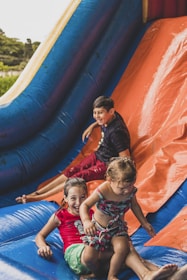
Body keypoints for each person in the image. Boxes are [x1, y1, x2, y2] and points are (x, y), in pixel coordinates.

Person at [35, 177, 186, 280]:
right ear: (65, 199)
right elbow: (40, 235)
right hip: (78, 253)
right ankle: (152, 273)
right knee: (123, 249)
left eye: (82, 197)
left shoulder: (93, 213)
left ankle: (163, 276)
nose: (78, 202)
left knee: (125, 250)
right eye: (73, 198)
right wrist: (42, 246)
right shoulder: (60, 216)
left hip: (98, 257)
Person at [16, 95, 131, 203]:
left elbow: (125, 157)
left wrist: (116, 174)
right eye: (95, 113)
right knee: (72, 171)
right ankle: (37, 192)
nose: (97, 116)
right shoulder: (111, 117)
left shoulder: (116, 133)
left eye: (100, 113)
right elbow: (101, 120)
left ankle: (40, 197)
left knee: (78, 177)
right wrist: (93, 125)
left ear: (111, 111)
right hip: (99, 154)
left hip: (106, 164)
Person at [79, 157, 156, 279]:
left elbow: (134, 206)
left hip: (117, 228)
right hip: (98, 228)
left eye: (130, 186)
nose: (126, 191)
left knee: (122, 248)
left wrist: (145, 223)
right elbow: (85, 205)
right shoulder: (103, 190)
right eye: (122, 188)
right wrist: (86, 221)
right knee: (89, 258)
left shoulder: (130, 192)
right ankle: (97, 274)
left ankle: (111, 275)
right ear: (110, 180)